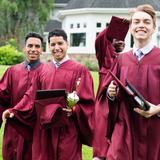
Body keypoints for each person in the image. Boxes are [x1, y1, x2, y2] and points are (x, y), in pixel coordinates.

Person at [3, 29, 95, 160]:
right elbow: (30, 96)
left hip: (67, 130)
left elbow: (88, 102)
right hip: (44, 130)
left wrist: (74, 110)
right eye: (53, 44)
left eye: (60, 43)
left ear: (67, 44)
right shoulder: (42, 70)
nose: (57, 48)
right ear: (48, 47)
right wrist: (15, 110)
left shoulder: (80, 70)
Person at [105, 4, 160, 160]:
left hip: (154, 130)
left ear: (154, 27)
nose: (141, 25)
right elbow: (108, 101)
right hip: (125, 129)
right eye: (136, 22)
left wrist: (157, 110)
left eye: (146, 22)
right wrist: (111, 94)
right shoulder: (121, 60)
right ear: (130, 27)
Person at [0, 32, 44, 160]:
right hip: (14, 127)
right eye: (30, 46)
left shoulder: (47, 72)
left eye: (37, 46)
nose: (33, 49)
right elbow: (2, 99)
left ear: (41, 50)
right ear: (24, 48)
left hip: (35, 130)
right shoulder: (12, 71)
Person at [93, 16, 129, 160]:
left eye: (123, 40)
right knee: (102, 141)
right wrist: (116, 27)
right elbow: (100, 39)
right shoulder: (106, 59)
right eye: (116, 39)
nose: (120, 41)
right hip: (104, 107)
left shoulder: (128, 60)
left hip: (122, 107)